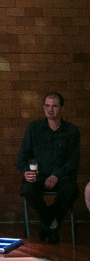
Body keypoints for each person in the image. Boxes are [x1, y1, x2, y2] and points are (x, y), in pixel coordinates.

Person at [16, 92, 80, 244]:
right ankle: (52, 224)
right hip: (39, 175)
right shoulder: (34, 128)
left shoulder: (71, 131)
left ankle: (47, 223)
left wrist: (57, 175)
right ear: (43, 107)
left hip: (61, 177)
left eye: (54, 106)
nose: (50, 110)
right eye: (47, 106)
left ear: (61, 108)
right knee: (27, 190)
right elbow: (22, 157)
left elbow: (74, 160)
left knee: (72, 191)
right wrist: (27, 172)